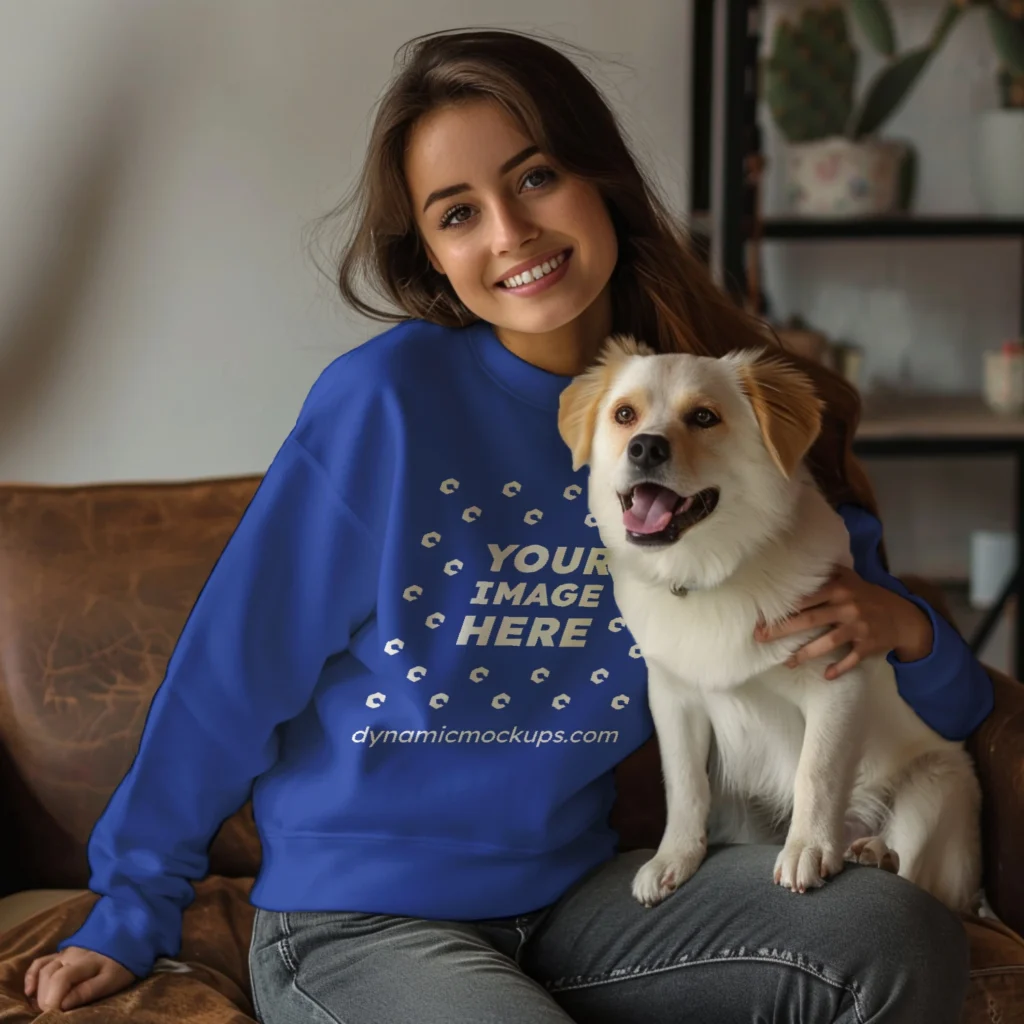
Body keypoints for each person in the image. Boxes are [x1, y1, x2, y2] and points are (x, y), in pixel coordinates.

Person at [24, 27, 993, 1023]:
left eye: (534, 178)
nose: (509, 233)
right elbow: (231, 672)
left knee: (886, 935)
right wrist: (128, 909)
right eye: (458, 214)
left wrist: (910, 632)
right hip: (359, 920)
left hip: (578, 901)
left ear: (600, 178)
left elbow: (921, 687)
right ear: (437, 260)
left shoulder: (714, 410)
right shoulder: (385, 405)